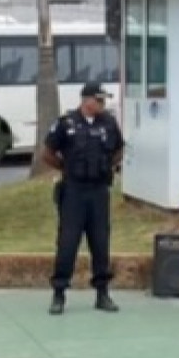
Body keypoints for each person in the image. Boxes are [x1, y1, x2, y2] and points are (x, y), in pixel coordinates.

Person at [42, 82, 124, 315]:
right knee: (68, 243)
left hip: (99, 191)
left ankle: (102, 293)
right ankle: (59, 293)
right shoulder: (66, 123)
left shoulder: (108, 122)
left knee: (100, 243)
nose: (102, 104)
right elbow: (47, 153)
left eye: (104, 101)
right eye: (99, 100)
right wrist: (66, 169)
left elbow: (118, 148)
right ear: (86, 100)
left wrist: (108, 165)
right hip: (74, 191)